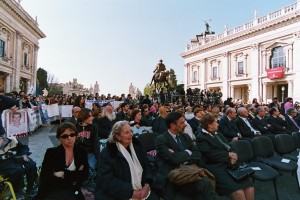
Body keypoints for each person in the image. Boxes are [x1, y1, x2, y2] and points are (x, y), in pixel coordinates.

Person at [154, 112, 218, 200]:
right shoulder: (161, 140)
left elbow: (197, 154)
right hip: (174, 176)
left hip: (191, 171)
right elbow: (174, 160)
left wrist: (182, 157)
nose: (185, 125)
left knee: (204, 189)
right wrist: (188, 152)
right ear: (173, 125)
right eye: (182, 123)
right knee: (205, 184)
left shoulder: (185, 136)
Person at [196, 113, 254, 199]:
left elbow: (229, 147)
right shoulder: (201, 137)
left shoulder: (218, 134)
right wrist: (228, 155)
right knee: (238, 192)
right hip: (216, 166)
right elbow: (210, 154)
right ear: (210, 125)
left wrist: (233, 156)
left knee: (250, 188)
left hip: (229, 164)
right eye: (216, 122)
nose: (218, 124)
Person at [95, 121, 158, 199]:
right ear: (118, 136)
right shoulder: (109, 153)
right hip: (119, 193)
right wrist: (131, 193)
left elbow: (147, 165)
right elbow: (107, 180)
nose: (131, 134)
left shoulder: (137, 145)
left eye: (131, 131)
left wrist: (147, 185)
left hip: (143, 188)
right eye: (126, 133)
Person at [34, 122, 89, 200]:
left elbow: (85, 175)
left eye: (72, 135)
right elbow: (45, 177)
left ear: (76, 136)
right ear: (59, 138)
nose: (69, 138)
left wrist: (63, 174)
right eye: (65, 136)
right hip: (52, 191)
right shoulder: (51, 153)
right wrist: (74, 178)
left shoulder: (81, 152)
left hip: (73, 190)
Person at [76, 108, 100, 179]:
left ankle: (91, 181)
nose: (92, 118)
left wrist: (97, 157)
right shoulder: (75, 127)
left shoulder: (93, 127)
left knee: (91, 167)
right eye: (90, 116)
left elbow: (96, 143)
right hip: (78, 153)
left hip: (89, 152)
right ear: (84, 117)